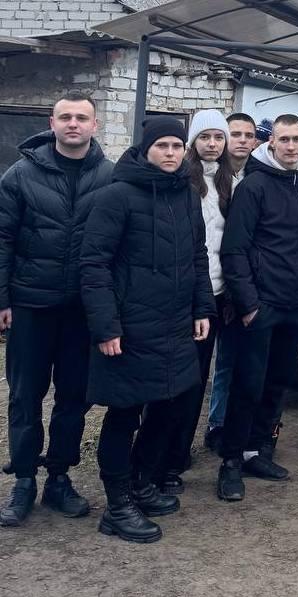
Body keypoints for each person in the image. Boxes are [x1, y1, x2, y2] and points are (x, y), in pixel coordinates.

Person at [80, 116, 215, 543]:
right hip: (129, 327)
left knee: (169, 405)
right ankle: (117, 506)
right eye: (163, 146)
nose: (171, 153)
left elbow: (197, 255)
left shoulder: (187, 194)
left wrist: (202, 307)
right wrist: (106, 327)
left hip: (174, 324)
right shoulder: (116, 195)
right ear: (146, 149)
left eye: (177, 146)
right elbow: (94, 264)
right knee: (125, 412)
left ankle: (141, 482)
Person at [0, 92, 113, 527]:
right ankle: (24, 479)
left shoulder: (109, 177)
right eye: (65, 116)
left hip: (82, 311)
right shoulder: (20, 175)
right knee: (25, 397)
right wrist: (2, 299)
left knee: (73, 399)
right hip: (31, 305)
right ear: (52, 123)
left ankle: (59, 478)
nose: (73, 124)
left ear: (95, 125)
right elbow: (2, 238)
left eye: (82, 117)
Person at [216, 113, 298, 502]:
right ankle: (230, 462)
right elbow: (235, 250)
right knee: (247, 385)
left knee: (277, 384)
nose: (291, 146)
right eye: (284, 139)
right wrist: (249, 305)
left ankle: (256, 452)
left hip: (296, 306)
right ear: (271, 143)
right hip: (261, 306)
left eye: (297, 139)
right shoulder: (254, 186)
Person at [145, 110, 233, 495]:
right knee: (168, 380)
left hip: (213, 294)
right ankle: (153, 454)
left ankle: (177, 455)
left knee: (196, 381)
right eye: (204, 137)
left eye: (218, 137)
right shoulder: (182, 180)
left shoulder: (231, 183)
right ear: (192, 143)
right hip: (179, 295)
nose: (212, 144)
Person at [205, 112, 256, 452]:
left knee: (230, 358)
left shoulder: (258, 176)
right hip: (209, 280)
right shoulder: (208, 177)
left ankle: (222, 423)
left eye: (247, 135)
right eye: (234, 133)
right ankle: (210, 425)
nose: (241, 140)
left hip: (240, 283)